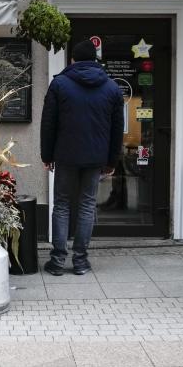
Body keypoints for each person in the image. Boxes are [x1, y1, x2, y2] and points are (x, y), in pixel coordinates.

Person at [40, 39, 124, 276]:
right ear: (95, 60)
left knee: (62, 205)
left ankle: (57, 261)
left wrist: (47, 155)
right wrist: (111, 161)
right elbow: (117, 128)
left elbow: (49, 123)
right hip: (96, 156)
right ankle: (81, 261)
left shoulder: (60, 84)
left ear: (73, 59)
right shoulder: (111, 87)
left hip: (65, 154)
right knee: (87, 206)